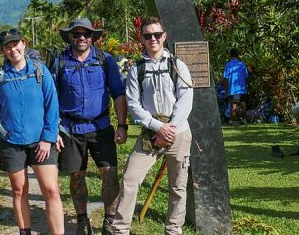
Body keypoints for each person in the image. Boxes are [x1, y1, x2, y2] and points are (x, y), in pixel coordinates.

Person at [112, 17, 194, 235]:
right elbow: (133, 104)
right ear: (142, 39)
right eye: (148, 36)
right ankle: (120, 230)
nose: (153, 39)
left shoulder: (177, 65)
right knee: (130, 178)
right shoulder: (136, 69)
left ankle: (173, 230)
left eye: (157, 35)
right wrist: (158, 127)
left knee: (178, 186)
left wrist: (169, 129)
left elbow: (186, 100)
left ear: (164, 36)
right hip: (151, 133)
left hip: (178, 132)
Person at [0, 29, 64, 235]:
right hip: (12, 142)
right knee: (19, 190)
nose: (13, 49)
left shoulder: (40, 71)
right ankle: (24, 231)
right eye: (7, 46)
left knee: (51, 190)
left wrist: (48, 137)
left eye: (16, 44)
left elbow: (52, 105)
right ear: (3, 51)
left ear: (24, 44)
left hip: (41, 142)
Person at [52, 18, 127, 235]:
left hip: (101, 127)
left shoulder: (105, 60)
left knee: (109, 173)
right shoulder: (60, 62)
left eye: (86, 34)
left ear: (93, 37)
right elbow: (51, 96)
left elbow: (118, 93)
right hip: (71, 129)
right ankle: (82, 220)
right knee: (76, 176)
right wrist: (54, 128)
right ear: (70, 37)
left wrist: (122, 125)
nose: (81, 38)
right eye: (77, 34)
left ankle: (109, 221)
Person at [222, 48, 249, 125]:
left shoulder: (228, 65)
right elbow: (246, 77)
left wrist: (225, 88)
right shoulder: (242, 64)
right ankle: (244, 120)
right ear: (238, 55)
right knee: (243, 103)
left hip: (233, 88)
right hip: (242, 88)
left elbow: (226, 79)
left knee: (234, 104)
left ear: (230, 55)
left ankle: (232, 121)